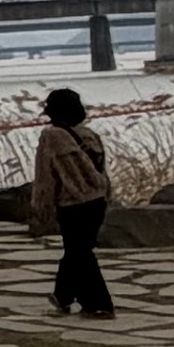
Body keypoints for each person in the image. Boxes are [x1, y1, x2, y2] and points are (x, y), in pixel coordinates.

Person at [33, 82, 117, 319]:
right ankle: (63, 296)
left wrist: (42, 205)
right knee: (78, 250)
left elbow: (46, 175)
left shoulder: (51, 136)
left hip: (72, 202)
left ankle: (99, 303)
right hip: (97, 200)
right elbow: (102, 170)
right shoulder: (89, 135)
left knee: (79, 253)